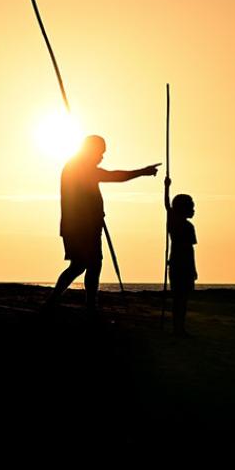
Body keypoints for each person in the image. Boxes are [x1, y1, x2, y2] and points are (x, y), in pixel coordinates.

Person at [47, 135, 159, 312]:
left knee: (84, 265)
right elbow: (114, 176)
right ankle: (85, 305)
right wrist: (142, 172)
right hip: (80, 228)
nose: (101, 157)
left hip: (85, 227)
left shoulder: (78, 167)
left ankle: (75, 303)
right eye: (100, 153)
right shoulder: (79, 168)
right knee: (84, 265)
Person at [164, 177, 197, 336]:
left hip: (175, 263)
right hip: (183, 265)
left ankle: (178, 327)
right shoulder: (186, 226)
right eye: (191, 207)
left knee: (178, 298)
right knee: (181, 299)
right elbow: (190, 251)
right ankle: (179, 328)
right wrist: (193, 269)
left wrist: (166, 187)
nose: (193, 210)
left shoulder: (173, 222)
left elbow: (167, 206)